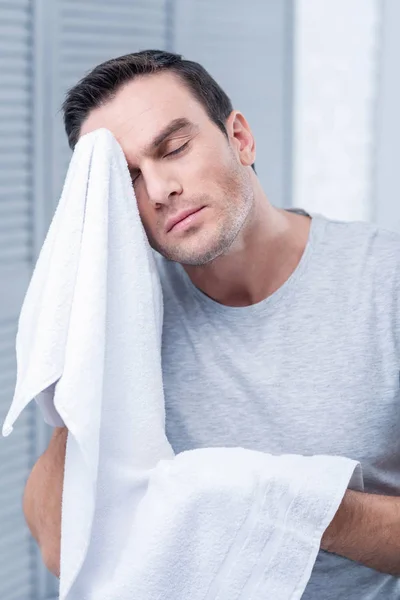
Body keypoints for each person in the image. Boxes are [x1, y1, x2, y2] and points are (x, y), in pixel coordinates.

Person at [23, 50, 400, 599]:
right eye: (126, 179)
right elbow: (61, 549)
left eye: (173, 148)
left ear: (240, 139)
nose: (158, 190)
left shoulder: (385, 282)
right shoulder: (129, 321)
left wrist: (286, 503)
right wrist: (91, 336)